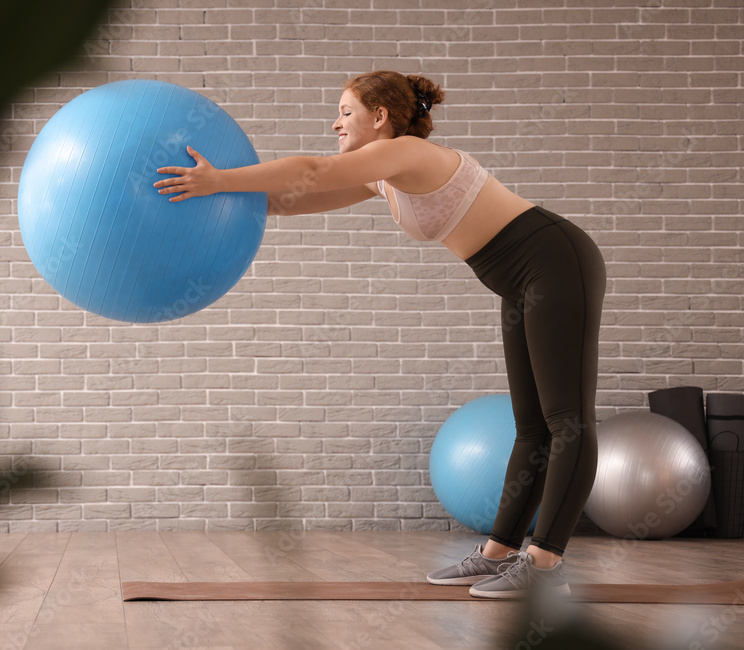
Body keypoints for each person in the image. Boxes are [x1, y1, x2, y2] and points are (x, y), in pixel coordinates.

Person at [153, 70, 606, 599]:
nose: (335, 121)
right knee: (532, 428)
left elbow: (315, 169)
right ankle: (497, 554)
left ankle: (545, 564)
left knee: (566, 421)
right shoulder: (381, 177)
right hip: (522, 278)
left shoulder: (409, 154)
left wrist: (223, 178)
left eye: (345, 112)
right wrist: (231, 203)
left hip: (555, 261)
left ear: (380, 117)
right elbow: (298, 195)